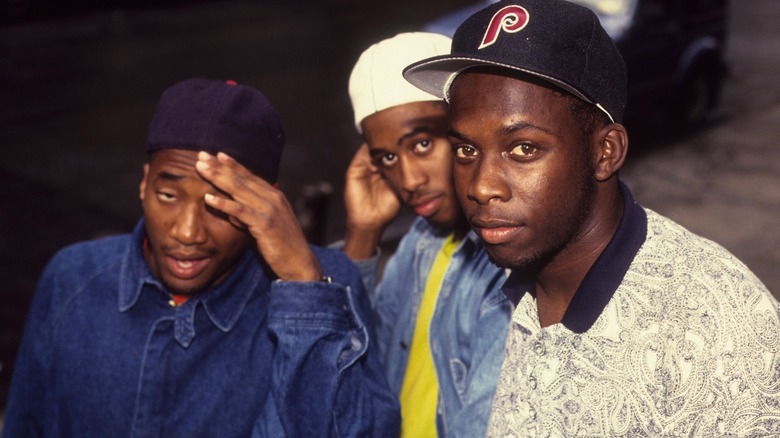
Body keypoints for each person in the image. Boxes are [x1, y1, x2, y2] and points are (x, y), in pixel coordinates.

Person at [403, 0, 780, 435]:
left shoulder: (717, 331)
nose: (481, 186)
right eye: (467, 150)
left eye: (523, 148)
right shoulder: (508, 277)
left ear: (606, 152)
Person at [3, 78, 399, 437]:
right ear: (144, 184)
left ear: (266, 206)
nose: (187, 232)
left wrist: (304, 289)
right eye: (168, 196)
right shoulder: (73, 277)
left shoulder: (326, 284)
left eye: (219, 205)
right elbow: (27, 423)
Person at [343, 32, 511, 437]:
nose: (408, 180)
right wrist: (362, 232)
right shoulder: (417, 244)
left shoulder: (509, 260)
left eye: (421, 143)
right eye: (387, 157)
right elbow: (354, 368)